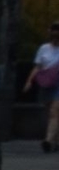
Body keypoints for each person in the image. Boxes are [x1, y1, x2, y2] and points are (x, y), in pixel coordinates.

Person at [28, 20, 59, 153]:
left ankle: (48, 140)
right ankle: (56, 140)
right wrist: (29, 81)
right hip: (47, 83)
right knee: (52, 114)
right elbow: (38, 66)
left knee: (54, 112)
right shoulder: (44, 48)